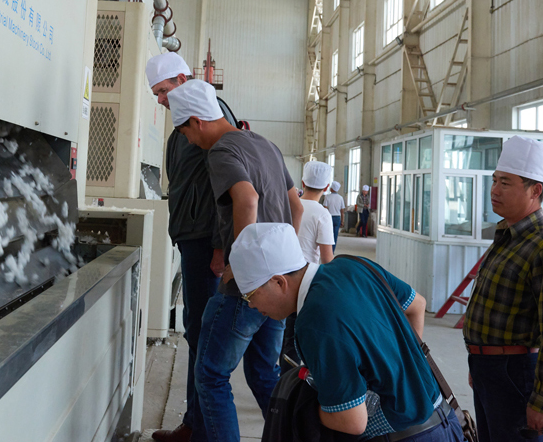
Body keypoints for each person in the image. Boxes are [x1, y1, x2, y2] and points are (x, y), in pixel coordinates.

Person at [231, 223, 465, 441]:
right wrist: (402, 365)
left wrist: (301, 406)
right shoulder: (355, 265)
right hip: (446, 421)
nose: (251, 305)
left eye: (250, 295)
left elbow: (352, 421)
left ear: (278, 282)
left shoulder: (313, 322)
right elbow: (417, 305)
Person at [166, 79, 303, 442]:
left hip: (249, 286)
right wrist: (286, 258)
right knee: (263, 371)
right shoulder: (265, 144)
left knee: (210, 375)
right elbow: (297, 205)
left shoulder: (221, 152)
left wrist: (240, 266)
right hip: (283, 282)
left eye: (185, 133)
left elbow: (247, 200)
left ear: (196, 121)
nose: (189, 142)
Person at [145, 52, 237, 442]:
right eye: (156, 94)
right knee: (194, 331)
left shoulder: (213, 115)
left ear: (183, 80)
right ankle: (195, 423)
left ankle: (199, 428)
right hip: (192, 239)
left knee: (202, 335)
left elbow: (229, 189)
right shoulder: (181, 127)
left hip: (205, 243)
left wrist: (220, 247)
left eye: (164, 90)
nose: (161, 100)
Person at [463, 136, 543, 442]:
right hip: (491, 369)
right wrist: (481, 359)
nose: (495, 190)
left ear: (535, 190)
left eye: (506, 183)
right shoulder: (508, 237)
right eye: (495, 181)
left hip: (516, 372)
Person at [280, 160, 334, 372]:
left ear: (302, 182)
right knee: (300, 337)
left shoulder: (289, 205)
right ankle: (292, 392)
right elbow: (327, 259)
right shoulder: (322, 214)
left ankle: (282, 387)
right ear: (327, 187)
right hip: (306, 282)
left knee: (285, 339)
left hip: (282, 276)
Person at [323, 180, 346, 248]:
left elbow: (325, 208)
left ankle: (328, 249)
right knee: (335, 236)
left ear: (332, 189)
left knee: (328, 235)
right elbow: (342, 211)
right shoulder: (340, 198)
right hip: (337, 218)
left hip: (329, 217)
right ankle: (332, 250)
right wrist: (342, 221)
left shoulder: (327, 197)